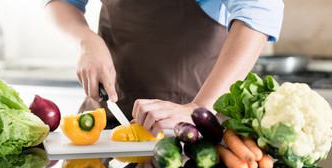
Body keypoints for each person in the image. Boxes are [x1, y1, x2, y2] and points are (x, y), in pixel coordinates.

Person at [43, 0, 284, 138]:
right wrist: (86, 41)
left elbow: (259, 12)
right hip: (109, 130)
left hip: (193, 133)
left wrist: (198, 109)